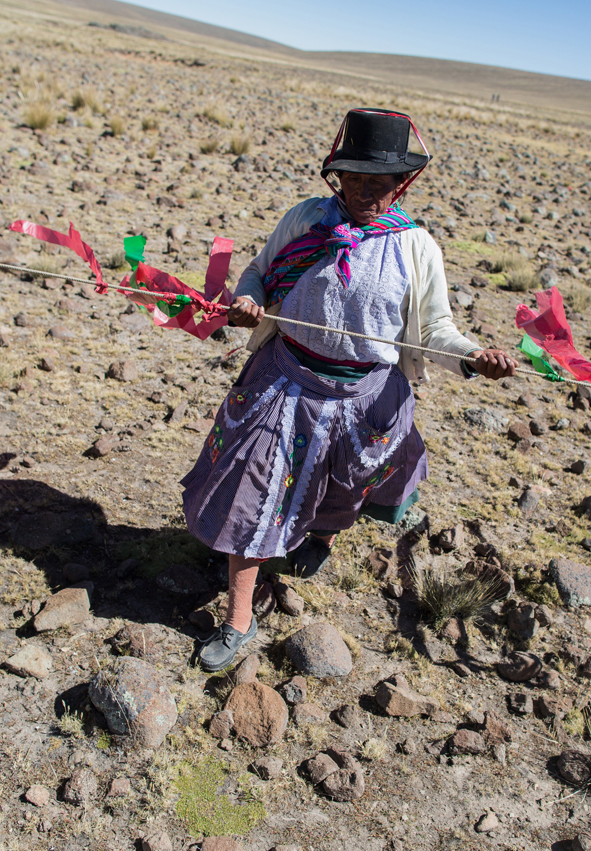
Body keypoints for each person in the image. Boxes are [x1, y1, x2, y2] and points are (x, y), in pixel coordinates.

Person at [182, 108, 517, 671]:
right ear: (337, 176)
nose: (365, 190)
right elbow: (259, 273)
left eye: (378, 182)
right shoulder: (305, 221)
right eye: (354, 177)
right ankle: (240, 620)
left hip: (364, 397)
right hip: (284, 381)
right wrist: (247, 300)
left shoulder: (417, 249)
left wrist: (474, 360)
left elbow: (435, 332)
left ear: (399, 184)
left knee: (343, 488)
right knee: (251, 493)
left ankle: (321, 540)